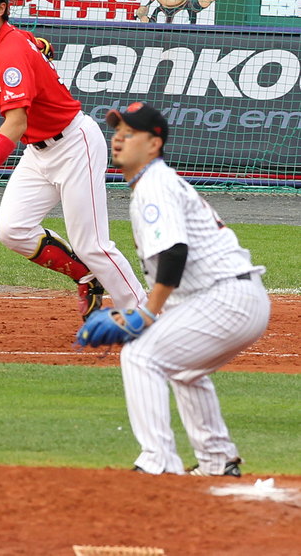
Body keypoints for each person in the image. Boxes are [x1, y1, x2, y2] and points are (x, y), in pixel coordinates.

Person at [77, 101, 270, 475]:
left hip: (226, 297)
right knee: (184, 370)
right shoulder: (155, 182)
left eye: (129, 133)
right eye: (117, 131)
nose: (117, 139)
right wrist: (149, 314)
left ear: (153, 145)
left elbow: (174, 252)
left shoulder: (154, 184)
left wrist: (146, 313)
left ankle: (159, 463)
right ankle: (218, 460)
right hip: (233, 297)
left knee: (141, 356)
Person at [0, 0, 146, 320]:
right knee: (12, 229)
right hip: (38, 152)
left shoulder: (8, 51)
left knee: (94, 244)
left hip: (74, 146)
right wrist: (39, 47)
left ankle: (147, 315)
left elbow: (16, 122)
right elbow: (30, 42)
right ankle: (85, 276)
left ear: (0, 8)